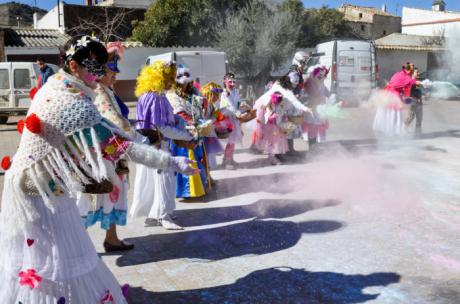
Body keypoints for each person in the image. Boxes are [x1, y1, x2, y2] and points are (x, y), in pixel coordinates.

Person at [0, 35, 198, 303]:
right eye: (94, 67)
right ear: (73, 66)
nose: (100, 73)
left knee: (51, 259)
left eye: (101, 66)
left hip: (42, 185)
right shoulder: (72, 102)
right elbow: (119, 145)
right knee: (55, 262)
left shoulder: (57, 86)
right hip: (38, 190)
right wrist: (172, 162)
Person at [79, 42, 135, 252]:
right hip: (102, 157)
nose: (116, 74)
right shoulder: (99, 92)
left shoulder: (107, 90)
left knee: (112, 195)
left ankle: (111, 238)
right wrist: (137, 139)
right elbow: (116, 122)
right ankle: (80, 246)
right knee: (89, 200)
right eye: (112, 70)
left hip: (112, 155)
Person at [130, 61, 195, 229]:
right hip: (158, 146)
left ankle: (153, 215)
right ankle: (164, 216)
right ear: (159, 78)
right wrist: (186, 135)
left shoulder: (148, 95)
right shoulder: (156, 97)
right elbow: (162, 127)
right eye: (169, 78)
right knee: (164, 180)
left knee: (151, 181)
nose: (172, 82)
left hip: (147, 145)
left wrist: (181, 123)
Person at [167, 65, 210, 199]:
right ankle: (188, 191)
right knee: (187, 159)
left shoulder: (194, 92)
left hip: (197, 130)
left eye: (187, 82)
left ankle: (201, 185)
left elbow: (204, 104)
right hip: (182, 132)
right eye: (182, 82)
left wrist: (204, 104)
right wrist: (191, 123)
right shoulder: (171, 95)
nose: (185, 84)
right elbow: (178, 112)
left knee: (198, 158)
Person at [373, 63, 416, 136]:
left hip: (388, 95)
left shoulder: (398, 74)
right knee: (393, 114)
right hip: (393, 96)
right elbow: (412, 83)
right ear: (409, 70)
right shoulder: (406, 77)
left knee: (386, 113)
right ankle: (391, 132)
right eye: (412, 70)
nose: (413, 71)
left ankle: (385, 131)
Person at [256, 91, 289, 165]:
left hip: (278, 126)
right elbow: (265, 117)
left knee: (278, 142)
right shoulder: (268, 106)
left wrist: (284, 117)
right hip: (270, 128)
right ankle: (271, 158)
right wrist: (271, 117)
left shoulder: (280, 106)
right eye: (277, 99)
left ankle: (276, 156)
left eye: (280, 99)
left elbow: (282, 113)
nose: (279, 101)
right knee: (272, 142)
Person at [303, 65, 331, 146]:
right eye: (319, 75)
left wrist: (331, 96)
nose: (321, 76)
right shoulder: (310, 83)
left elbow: (326, 92)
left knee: (319, 127)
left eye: (323, 75)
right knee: (312, 127)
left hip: (320, 109)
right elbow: (313, 94)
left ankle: (317, 145)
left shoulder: (321, 82)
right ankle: (312, 145)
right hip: (312, 109)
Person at [220, 73, 243, 169]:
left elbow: (237, 103)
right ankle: (226, 161)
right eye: (230, 82)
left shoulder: (236, 91)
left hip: (235, 118)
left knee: (233, 140)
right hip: (228, 119)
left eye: (234, 82)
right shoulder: (224, 93)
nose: (232, 84)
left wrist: (241, 109)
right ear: (225, 82)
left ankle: (230, 158)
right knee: (230, 140)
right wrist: (237, 113)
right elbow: (228, 106)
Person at [405, 67, 423, 136]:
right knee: (411, 116)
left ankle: (418, 134)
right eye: (416, 72)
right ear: (412, 73)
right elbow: (408, 92)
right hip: (412, 101)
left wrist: (422, 96)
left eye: (418, 72)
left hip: (419, 102)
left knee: (419, 118)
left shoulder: (417, 81)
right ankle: (403, 128)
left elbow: (418, 91)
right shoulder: (411, 81)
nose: (418, 73)